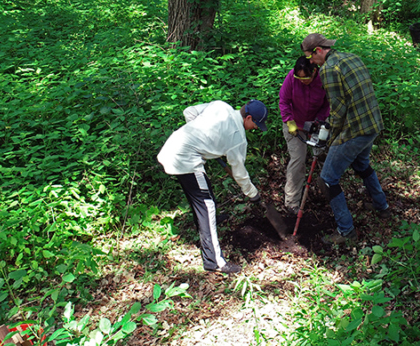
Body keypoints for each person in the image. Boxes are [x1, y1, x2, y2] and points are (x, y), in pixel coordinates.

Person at [157, 99, 268, 274]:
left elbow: (189, 112)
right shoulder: (237, 138)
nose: (255, 128)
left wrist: (203, 137)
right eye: (256, 124)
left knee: (203, 192)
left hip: (174, 146)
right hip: (185, 158)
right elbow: (239, 173)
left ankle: (207, 222)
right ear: (248, 117)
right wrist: (252, 194)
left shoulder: (221, 106)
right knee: (206, 205)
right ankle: (214, 261)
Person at [301, 33, 390, 245]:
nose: (311, 62)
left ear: (319, 50)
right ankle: (381, 206)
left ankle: (346, 231)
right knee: (361, 164)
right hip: (373, 124)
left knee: (328, 179)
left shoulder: (329, 70)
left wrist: (329, 140)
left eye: (311, 57)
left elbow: (338, 110)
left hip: (356, 130)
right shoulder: (352, 57)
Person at [279, 56, 330, 214]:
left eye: (306, 77)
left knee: (323, 158)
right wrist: (289, 120)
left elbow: (328, 104)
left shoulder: (324, 79)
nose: (302, 81)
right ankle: (292, 203)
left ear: (314, 71)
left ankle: (330, 197)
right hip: (295, 124)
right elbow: (284, 100)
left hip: (316, 124)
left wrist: (318, 121)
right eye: (299, 77)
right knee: (298, 160)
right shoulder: (291, 79)